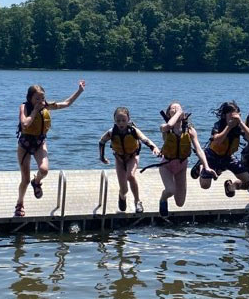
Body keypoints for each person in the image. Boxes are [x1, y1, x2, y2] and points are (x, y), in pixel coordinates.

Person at [14, 80, 84, 217]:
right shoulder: (25, 107)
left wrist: (79, 91)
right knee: (25, 179)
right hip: (25, 144)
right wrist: (35, 110)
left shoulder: (47, 106)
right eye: (37, 98)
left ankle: (37, 181)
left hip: (39, 142)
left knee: (44, 170)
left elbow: (67, 103)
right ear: (30, 98)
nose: (41, 101)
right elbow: (24, 124)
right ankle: (20, 203)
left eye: (42, 98)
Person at [99, 107, 160, 213]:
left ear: (128, 120)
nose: (121, 123)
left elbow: (145, 139)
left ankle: (137, 201)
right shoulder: (111, 132)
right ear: (114, 120)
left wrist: (153, 147)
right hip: (119, 158)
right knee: (124, 189)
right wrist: (102, 157)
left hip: (133, 156)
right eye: (118, 121)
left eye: (123, 120)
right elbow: (101, 142)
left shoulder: (134, 131)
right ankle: (122, 196)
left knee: (130, 176)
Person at [157, 102, 212, 217]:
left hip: (181, 167)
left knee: (180, 203)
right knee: (170, 190)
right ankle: (163, 198)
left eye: (178, 107)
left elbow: (199, 150)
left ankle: (170, 195)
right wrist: (178, 113)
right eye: (173, 108)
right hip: (166, 165)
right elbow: (169, 125)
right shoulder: (165, 128)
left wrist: (206, 167)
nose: (176, 109)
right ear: (168, 113)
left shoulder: (190, 130)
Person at [192, 101, 249, 198]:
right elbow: (217, 141)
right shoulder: (219, 125)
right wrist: (228, 127)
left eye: (235, 114)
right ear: (224, 115)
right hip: (212, 155)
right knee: (205, 186)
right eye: (230, 114)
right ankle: (201, 167)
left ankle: (230, 187)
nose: (233, 117)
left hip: (228, 156)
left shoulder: (239, 127)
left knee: (246, 178)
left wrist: (241, 123)